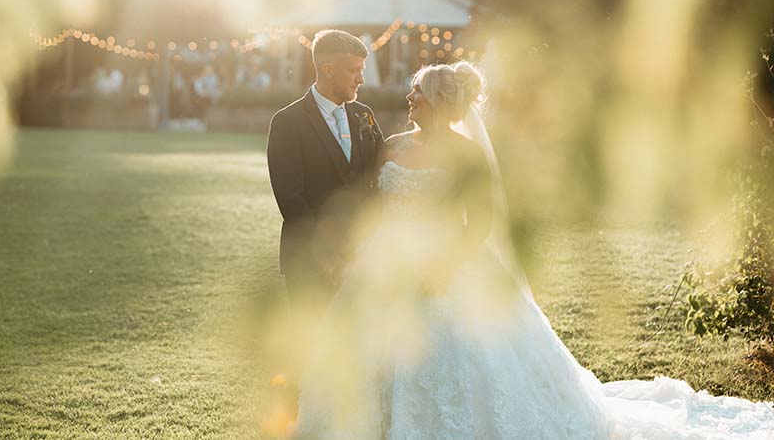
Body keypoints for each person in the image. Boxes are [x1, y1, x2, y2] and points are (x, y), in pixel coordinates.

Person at [292, 61, 774, 439]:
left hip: (450, 268)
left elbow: (477, 222)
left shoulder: (467, 154)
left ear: (437, 100)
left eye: (416, 92)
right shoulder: (391, 144)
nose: (408, 98)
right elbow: (373, 202)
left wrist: (444, 267)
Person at [266, 29, 386, 421]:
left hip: (362, 258)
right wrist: (328, 255)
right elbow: (291, 198)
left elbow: (379, 176)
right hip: (310, 260)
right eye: (354, 70)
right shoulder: (287, 122)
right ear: (327, 68)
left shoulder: (363, 115)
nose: (360, 79)